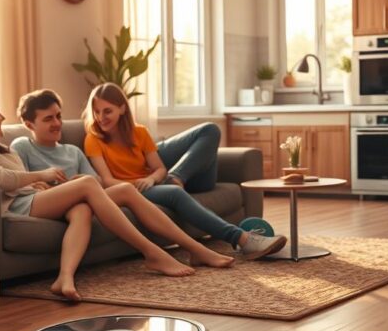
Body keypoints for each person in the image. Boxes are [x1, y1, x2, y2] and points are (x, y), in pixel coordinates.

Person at [0, 92, 234, 302]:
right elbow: (1, 179)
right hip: (18, 207)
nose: (1, 117)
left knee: (110, 196)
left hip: (33, 199)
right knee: (89, 188)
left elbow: (16, 179)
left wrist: (44, 184)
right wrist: (43, 176)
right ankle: (153, 253)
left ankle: (64, 277)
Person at [81, 83, 286, 259]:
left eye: (107, 111)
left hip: (152, 183)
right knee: (175, 192)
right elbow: (107, 181)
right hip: (133, 190)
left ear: (122, 108)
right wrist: (137, 186)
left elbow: (159, 168)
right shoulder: (93, 138)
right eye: (96, 112)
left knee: (210, 130)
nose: (100, 117)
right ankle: (242, 238)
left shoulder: (139, 132)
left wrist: (153, 178)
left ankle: (177, 176)